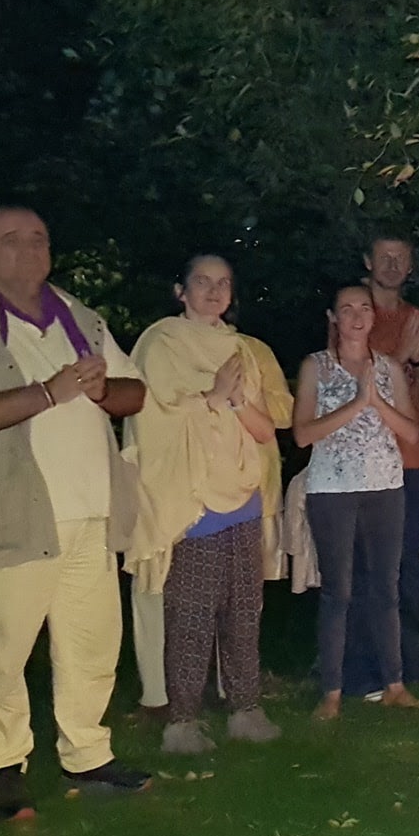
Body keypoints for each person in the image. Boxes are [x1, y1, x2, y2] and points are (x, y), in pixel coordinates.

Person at [0, 206, 152, 819]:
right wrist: (49, 392)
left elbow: (135, 392)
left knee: (92, 643)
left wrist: (103, 390)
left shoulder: (81, 319)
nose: (27, 249)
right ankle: (3, 766)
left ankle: (88, 752)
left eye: (39, 238)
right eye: (10, 240)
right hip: (13, 513)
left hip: (92, 513)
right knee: (3, 649)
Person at [124, 254, 293, 754]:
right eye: (203, 282)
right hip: (191, 498)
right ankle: (182, 721)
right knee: (192, 613)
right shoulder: (161, 343)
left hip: (242, 493)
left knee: (245, 608)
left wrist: (234, 400)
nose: (215, 291)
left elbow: (263, 427)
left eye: (224, 283)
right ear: (181, 290)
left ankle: (246, 708)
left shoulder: (241, 348)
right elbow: (152, 418)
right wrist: (215, 396)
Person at [293, 284, 419, 720]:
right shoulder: (316, 366)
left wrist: (375, 401)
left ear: (373, 317)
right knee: (339, 592)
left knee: (386, 589)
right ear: (333, 316)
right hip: (332, 490)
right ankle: (332, 691)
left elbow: (411, 432)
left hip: (385, 487)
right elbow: (302, 434)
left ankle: (394, 683)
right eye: (346, 308)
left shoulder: (388, 368)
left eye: (364, 308)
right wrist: (356, 403)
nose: (356, 316)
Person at [341, 235, 419, 694]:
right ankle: (367, 668)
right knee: (370, 569)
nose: (390, 265)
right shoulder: (354, 317)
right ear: (367, 261)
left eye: (399, 259)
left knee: (414, 567)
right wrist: (400, 359)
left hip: (417, 458)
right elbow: (350, 384)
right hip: (369, 463)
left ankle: (413, 664)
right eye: (382, 256)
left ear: (409, 268)